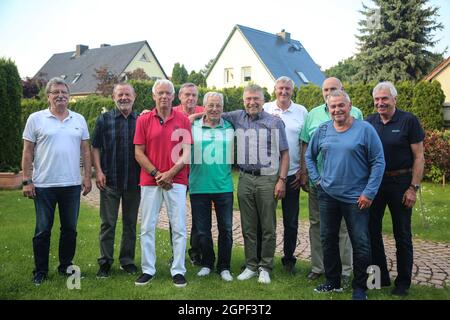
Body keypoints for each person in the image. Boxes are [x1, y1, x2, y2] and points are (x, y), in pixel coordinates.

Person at [305, 89, 385, 300]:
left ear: (350, 106)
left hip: (356, 198)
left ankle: (360, 288)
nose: (337, 109)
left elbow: (378, 161)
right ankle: (333, 282)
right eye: (333, 106)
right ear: (328, 109)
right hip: (328, 195)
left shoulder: (365, 130)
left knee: (361, 243)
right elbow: (309, 156)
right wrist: (317, 180)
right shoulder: (322, 130)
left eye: (341, 105)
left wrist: (369, 192)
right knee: (328, 239)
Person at [22, 77, 92, 285]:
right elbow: (27, 152)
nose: (60, 95)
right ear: (48, 96)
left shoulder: (79, 119)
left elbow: (85, 150)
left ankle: (65, 266)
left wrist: (87, 176)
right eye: (56, 92)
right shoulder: (35, 119)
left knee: (69, 230)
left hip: (71, 185)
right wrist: (27, 180)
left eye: (64, 92)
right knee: (43, 230)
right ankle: (40, 271)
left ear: (69, 96)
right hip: (44, 186)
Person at [222, 84, 290, 284]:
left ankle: (265, 267)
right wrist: (190, 117)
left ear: (263, 100)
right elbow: (212, 112)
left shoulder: (275, 122)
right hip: (244, 178)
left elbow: (285, 154)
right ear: (243, 101)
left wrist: (282, 180)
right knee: (248, 226)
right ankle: (251, 265)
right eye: (248, 99)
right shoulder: (237, 117)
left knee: (268, 226)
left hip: (268, 178)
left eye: (256, 99)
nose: (252, 102)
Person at [366, 81, 425, 296]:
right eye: (377, 99)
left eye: (385, 99)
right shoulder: (369, 122)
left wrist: (413, 188)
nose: (381, 103)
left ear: (394, 100)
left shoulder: (409, 121)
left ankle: (403, 283)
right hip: (375, 183)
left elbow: (419, 157)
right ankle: (377, 279)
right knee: (371, 231)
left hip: (401, 183)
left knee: (402, 234)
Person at [300, 77, 360, 284]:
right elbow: (305, 146)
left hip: (346, 182)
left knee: (343, 227)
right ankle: (318, 266)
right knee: (317, 225)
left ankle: (344, 269)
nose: (329, 92)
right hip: (320, 182)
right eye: (325, 89)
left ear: (342, 90)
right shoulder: (313, 114)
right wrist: (306, 174)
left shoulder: (356, 113)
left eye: (333, 88)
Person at [133, 79, 192, 287]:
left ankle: (178, 270)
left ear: (173, 96)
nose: (164, 96)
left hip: (176, 181)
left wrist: (170, 174)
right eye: (160, 93)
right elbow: (138, 152)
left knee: (178, 226)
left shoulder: (183, 119)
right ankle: (148, 269)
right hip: (150, 181)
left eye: (168, 93)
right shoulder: (143, 120)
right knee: (147, 226)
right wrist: (158, 173)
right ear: (153, 96)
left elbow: (187, 152)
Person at [91, 83, 141, 278]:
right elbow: (95, 147)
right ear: (113, 97)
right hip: (109, 180)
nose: (124, 98)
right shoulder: (104, 120)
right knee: (108, 224)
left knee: (130, 223)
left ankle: (127, 261)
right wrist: (99, 171)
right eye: (120, 94)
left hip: (134, 182)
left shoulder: (141, 120)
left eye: (127, 94)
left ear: (134, 97)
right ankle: (105, 263)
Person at [263, 76, 308, 274]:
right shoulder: (264, 108)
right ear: (274, 90)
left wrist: (303, 169)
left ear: (292, 91)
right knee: (265, 220)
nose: (284, 92)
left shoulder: (301, 111)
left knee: (291, 221)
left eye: (287, 89)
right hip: (268, 172)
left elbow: (304, 142)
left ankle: (289, 260)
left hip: (292, 174)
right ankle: (262, 259)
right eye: (280, 88)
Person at [189, 92, 235, 281]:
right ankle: (208, 263)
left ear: (223, 108)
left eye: (218, 105)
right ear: (204, 107)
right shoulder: (192, 126)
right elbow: (173, 122)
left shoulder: (230, 127)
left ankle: (224, 266)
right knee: (202, 229)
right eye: (211, 105)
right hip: (199, 185)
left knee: (226, 229)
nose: (214, 109)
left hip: (223, 186)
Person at [173, 83, 204, 266]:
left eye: (194, 95)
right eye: (187, 95)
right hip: (177, 170)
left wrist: (196, 116)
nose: (190, 98)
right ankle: (175, 253)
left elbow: (220, 113)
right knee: (176, 213)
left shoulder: (203, 110)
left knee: (198, 213)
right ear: (180, 96)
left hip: (198, 170)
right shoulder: (172, 110)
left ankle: (195, 252)